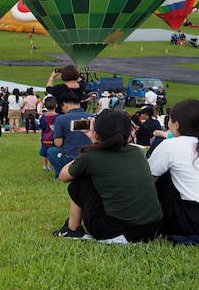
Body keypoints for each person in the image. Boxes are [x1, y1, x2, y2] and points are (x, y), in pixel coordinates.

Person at [56, 110, 162, 242]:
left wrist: (92, 147)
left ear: (97, 132)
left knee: (81, 179)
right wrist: (96, 142)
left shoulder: (91, 157)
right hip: (152, 229)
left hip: (118, 231)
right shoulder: (137, 152)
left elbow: (63, 176)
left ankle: (72, 229)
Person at [148, 99, 199, 239]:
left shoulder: (172, 145)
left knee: (162, 176)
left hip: (192, 219)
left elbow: (147, 180)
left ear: (176, 124)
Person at [46, 93, 93, 177]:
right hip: (90, 157)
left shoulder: (61, 119)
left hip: (70, 158)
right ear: (78, 104)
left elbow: (58, 143)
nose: (62, 110)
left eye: (62, 107)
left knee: (51, 151)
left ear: (65, 105)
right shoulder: (92, 117)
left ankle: (60, 173)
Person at [38, 96, 58, 172]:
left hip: (45, 137)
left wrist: (41, 137)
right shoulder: (59, 117)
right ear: (56, 105)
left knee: (44, 151)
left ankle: (44, 166)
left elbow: (42, 128)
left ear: (45, 106)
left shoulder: (43, 117)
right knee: (52, 151)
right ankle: (50, 166)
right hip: (54, 137)